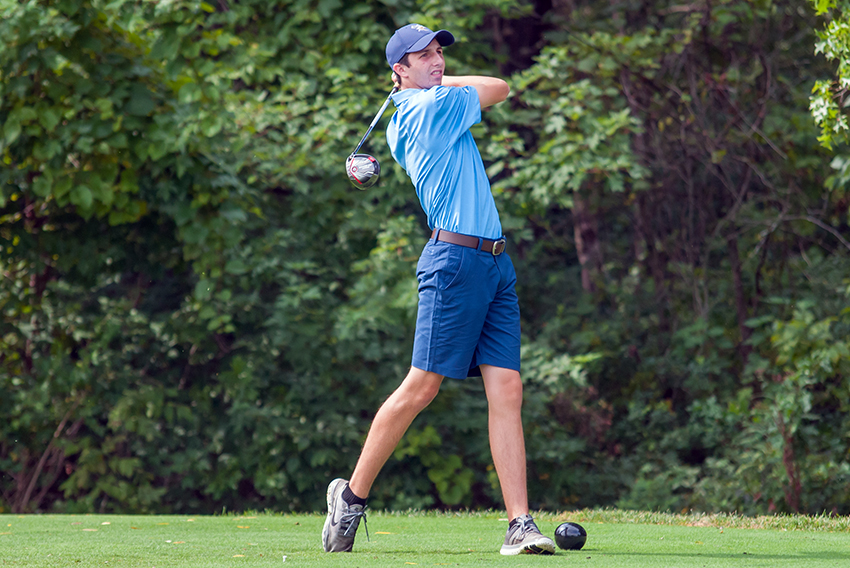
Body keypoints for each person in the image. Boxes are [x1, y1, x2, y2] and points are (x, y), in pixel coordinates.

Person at [322, 23, 555, 556]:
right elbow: (500, 86)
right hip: (454, 263)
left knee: (507, 388)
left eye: (438, 54)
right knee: (422, 386)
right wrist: (429, 87)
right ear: (397, 70)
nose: (437, 62)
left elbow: (484, 89)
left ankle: (520, 523)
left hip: (495, 263)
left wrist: (428, 81)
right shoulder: (427, 110)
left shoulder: (426, 102)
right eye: (422, 57)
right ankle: (351, 497)